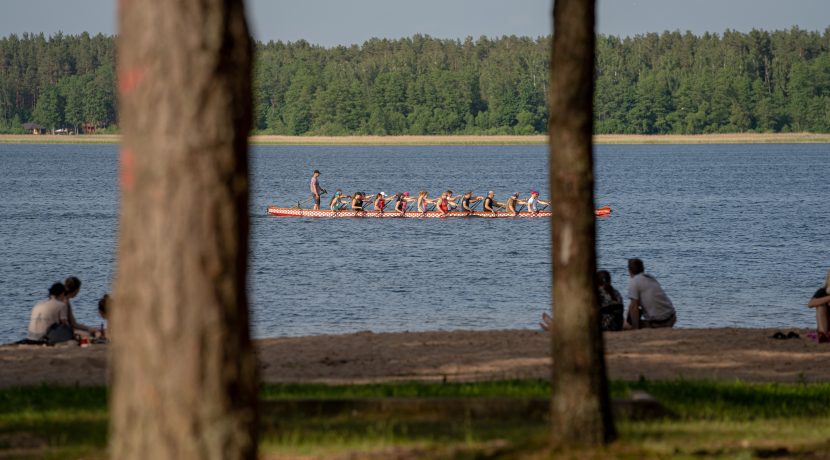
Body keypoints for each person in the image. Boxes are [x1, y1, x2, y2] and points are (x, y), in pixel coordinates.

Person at [540, 270, 624, 332]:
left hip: (602, 327)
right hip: (616, 326)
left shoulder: (597, 294)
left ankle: (555, 327)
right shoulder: (617, 293)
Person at [625, 258, 676, 329]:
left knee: (626, 324)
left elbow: (634, 306)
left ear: (629, 270)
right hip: (672, 317)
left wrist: (634, 327)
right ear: (643, 268)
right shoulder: (650, 277)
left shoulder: (634, 281)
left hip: (659, 323)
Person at [807, 270, 830, 342]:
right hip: (825, 325)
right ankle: (824, 335)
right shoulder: (823, 291)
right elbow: (810, 304)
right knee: (820, 306)